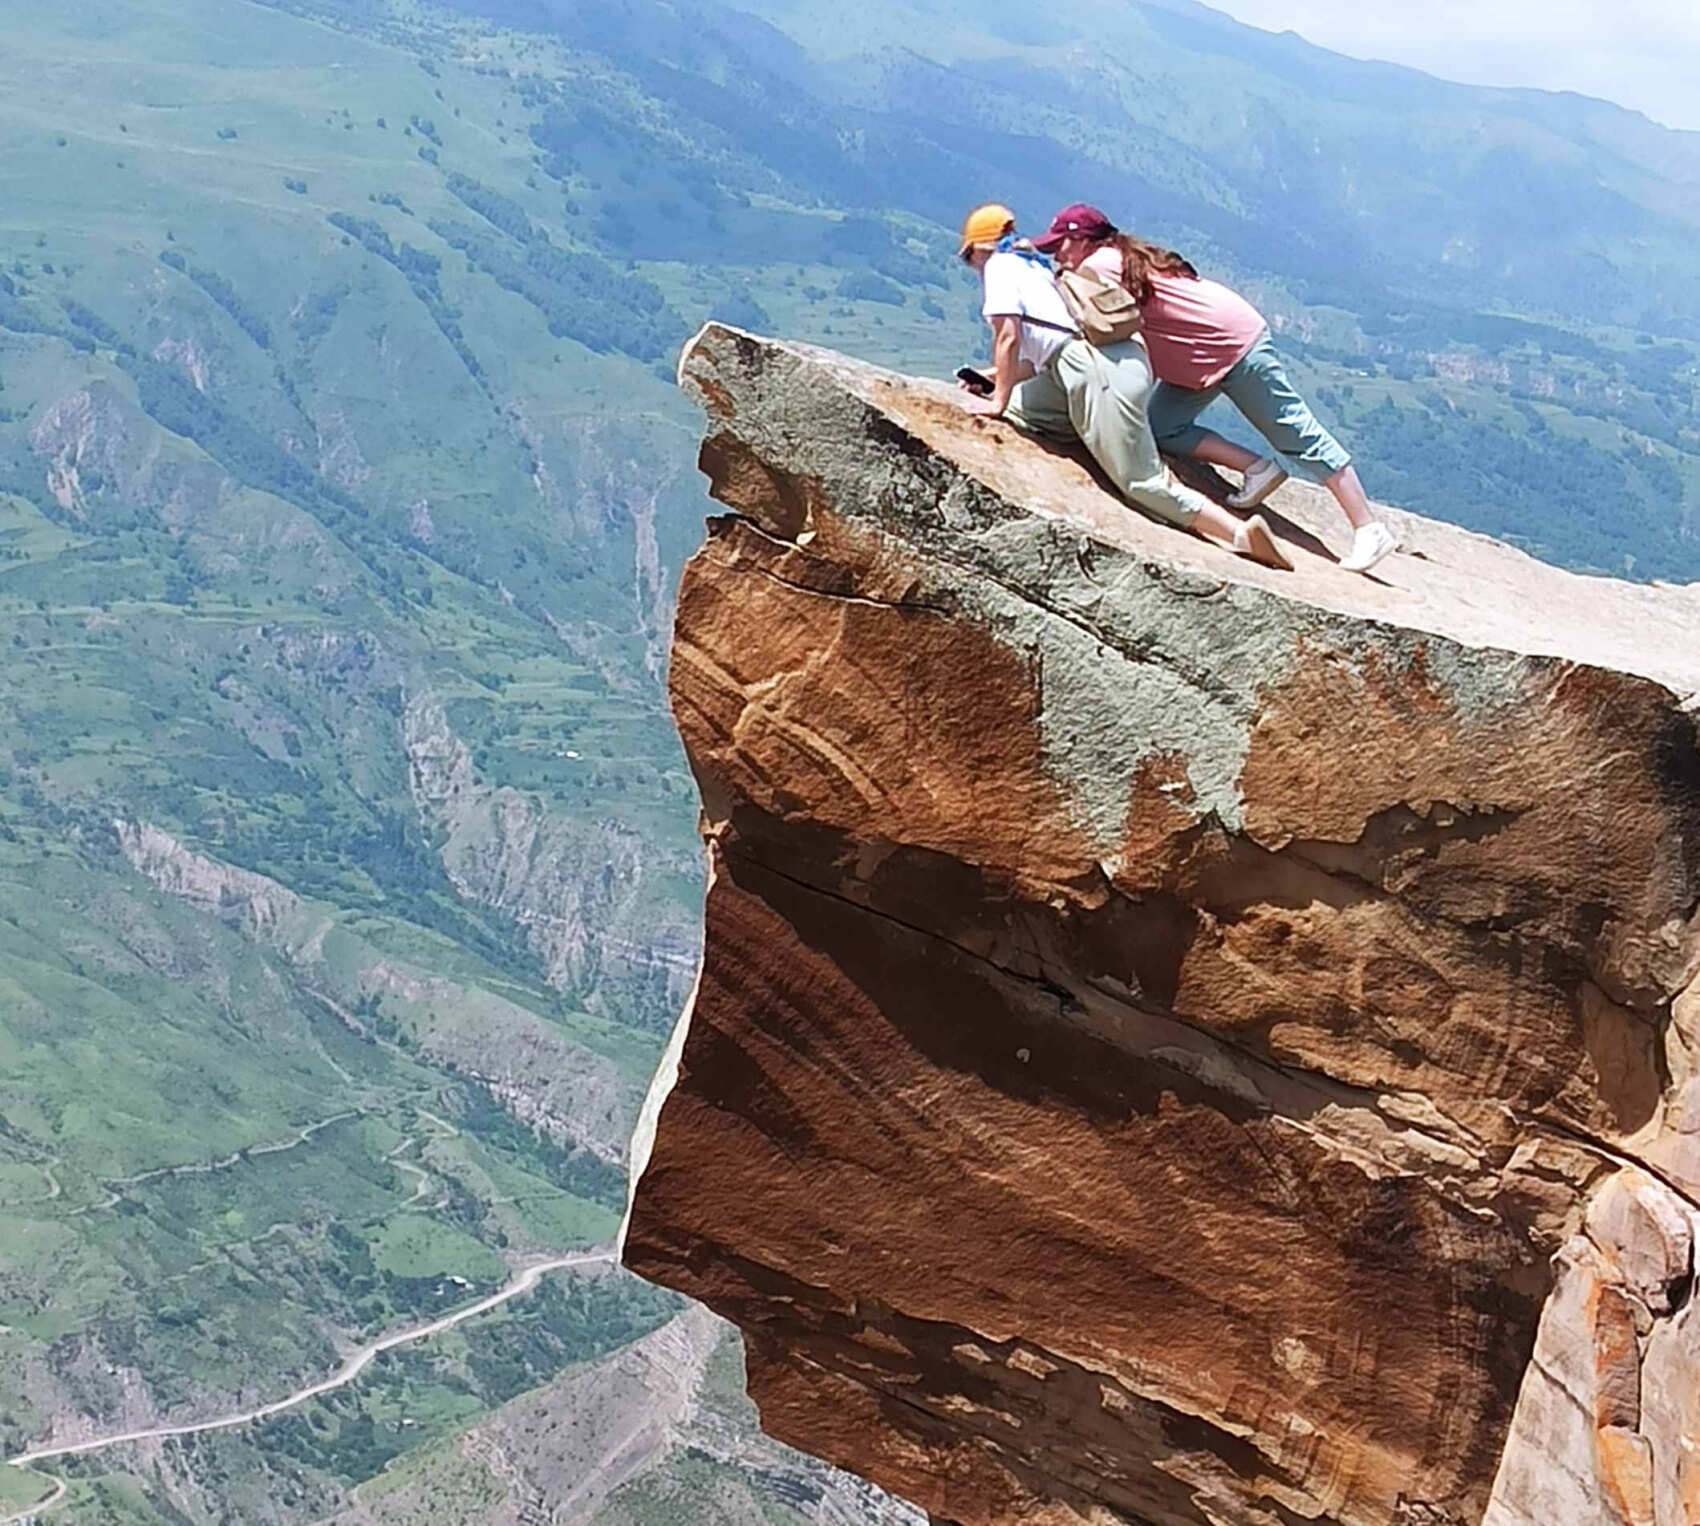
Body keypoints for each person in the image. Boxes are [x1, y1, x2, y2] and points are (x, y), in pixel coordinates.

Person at [1033, 203, 1399, 574]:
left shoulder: (1100, 265)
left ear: (1082, 240)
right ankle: (1257, 469)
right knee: (1161, 427)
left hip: (1234, 348)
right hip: (1201, 359)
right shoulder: (1119, 256)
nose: (1058, 256)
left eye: (1061, 247)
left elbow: (1091, 321)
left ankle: (1369, 529)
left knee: (1296, 432)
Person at [955, 204, 1292, 571]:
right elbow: (1040, 356)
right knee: (1027, 408)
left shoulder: (999, 268)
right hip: (1100, 362)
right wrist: (992, 382)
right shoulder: (1030, 265)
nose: (971, 266)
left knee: (1139, 480)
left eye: (969, 257)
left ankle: (1240, 534)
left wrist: (997, 403)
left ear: (980, 249)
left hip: (1096, 372)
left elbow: (1008, 338)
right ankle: (1098, 432)